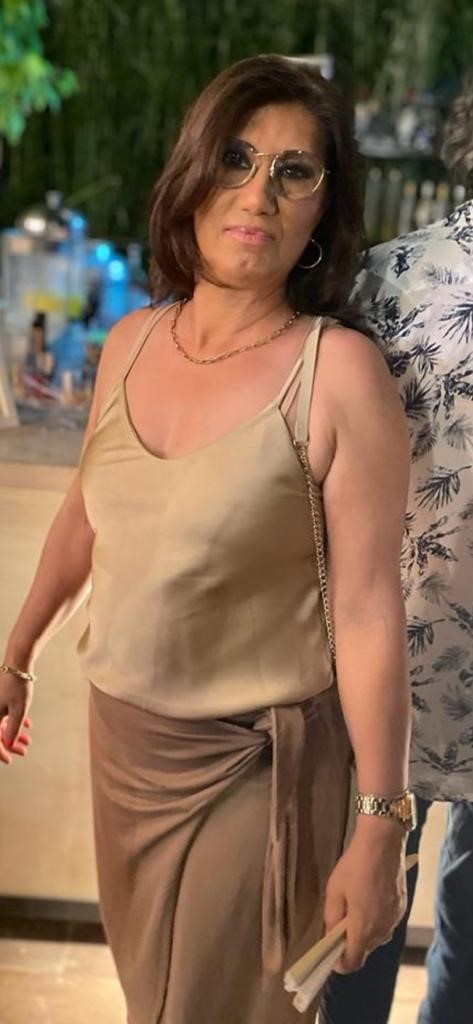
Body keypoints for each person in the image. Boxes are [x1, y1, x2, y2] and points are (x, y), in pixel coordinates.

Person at [0, 55, 414, 1024]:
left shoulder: (338, 376)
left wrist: (379, 826)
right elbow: (87, 514)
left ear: (321, 212)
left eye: (293, 171)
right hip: (123, 750)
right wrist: (17, 653)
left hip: (254, 769)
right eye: (235, 158)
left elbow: (366, 612)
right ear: (190, 173)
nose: (258, 193)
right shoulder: (131, 341)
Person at [319, 71, 473, 1024]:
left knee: (354, 939)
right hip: (383, 661)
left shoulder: (381, 277)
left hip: (379, 664)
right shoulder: (378, 281)